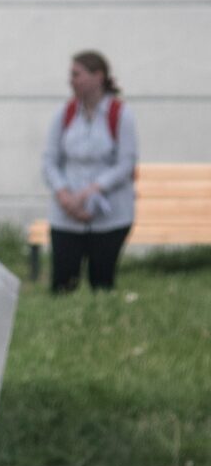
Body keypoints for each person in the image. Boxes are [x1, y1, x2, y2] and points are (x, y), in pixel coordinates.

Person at [43, 49, 138, 293]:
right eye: (71, 75)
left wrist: (90, 192)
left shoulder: (120, 114)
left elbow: (126, 164)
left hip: (110, 215)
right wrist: (65, 195)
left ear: (98, 77)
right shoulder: (64, 114)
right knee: (63, 284)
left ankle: (102, 317)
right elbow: (50, 160)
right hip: (66, 215)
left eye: (77, 74)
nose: (71, 81)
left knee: (102, 282)